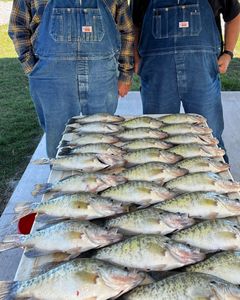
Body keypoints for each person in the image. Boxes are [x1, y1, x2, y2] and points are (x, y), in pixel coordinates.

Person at [9, 0, 134, 158]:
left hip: (101, 78)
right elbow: (17, 27)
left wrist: (125, 74)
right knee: (60, 145)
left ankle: (101, 181)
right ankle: (62, 182)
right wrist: (32, 68)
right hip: (51, 81)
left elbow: (127, 31)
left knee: (102, 142)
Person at [131, 0, 240, 155]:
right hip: (159, 77)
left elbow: (234, 15)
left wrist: (228, 53)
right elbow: (134, 24)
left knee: (209, 138)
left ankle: (215, 178)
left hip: (201, 76)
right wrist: (135, 57)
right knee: (157, 139)